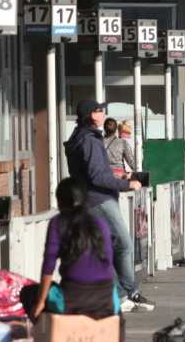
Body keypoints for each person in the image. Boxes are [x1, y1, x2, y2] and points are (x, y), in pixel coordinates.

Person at [64, 99, 154, 313]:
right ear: (91, 115)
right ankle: (125, 294)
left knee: (108, 246)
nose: (103, 112)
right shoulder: (91, 140)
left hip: (89, 198)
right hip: (99, 199)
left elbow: (92, 172)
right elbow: (97, 176)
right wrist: (126, 183)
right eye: (99, 110)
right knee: (123, 245)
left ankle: (126, 293)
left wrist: (117, 176)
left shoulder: (80, 137)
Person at [27, 178, 119, 320]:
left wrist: (40, 302)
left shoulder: (58, 223)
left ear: (60, 202)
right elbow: (109, 263)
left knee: (29, 292)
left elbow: (48, 266)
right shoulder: (100, 224)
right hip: (106, 301)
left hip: (71, 301)